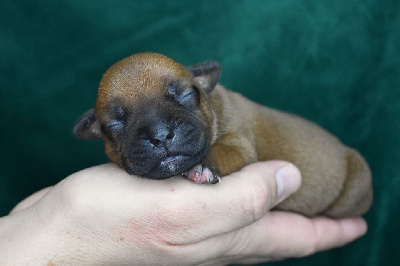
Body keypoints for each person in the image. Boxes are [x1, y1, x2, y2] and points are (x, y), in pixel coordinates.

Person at [0, 161, 367, 265]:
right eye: (117, 123)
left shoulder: (227, 115)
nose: (160, 134)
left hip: (343, 189)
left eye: (181, 98)